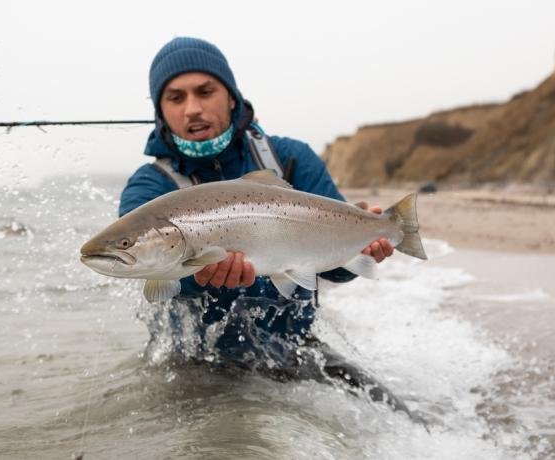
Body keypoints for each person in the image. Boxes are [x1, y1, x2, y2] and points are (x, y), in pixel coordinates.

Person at [120, 37, 419, 420]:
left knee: (400, 419)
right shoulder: (148, 188)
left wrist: (362, 249)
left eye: (205, 91)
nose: (192, 108)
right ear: (161, 110)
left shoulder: (291, 158)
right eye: (175, 98)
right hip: (196, 365)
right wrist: (203, 275)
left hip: (296, 349)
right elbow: (151, 278)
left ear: (232, 97)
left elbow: (335, 270)